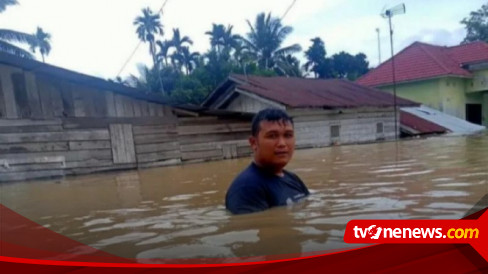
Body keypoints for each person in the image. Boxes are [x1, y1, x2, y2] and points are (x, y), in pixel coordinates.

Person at [225, 108, 310, 215]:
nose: (282, 143)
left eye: (288, 135)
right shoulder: (247, 188)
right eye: (272, 136)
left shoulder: (293, 179)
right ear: (254, 143)